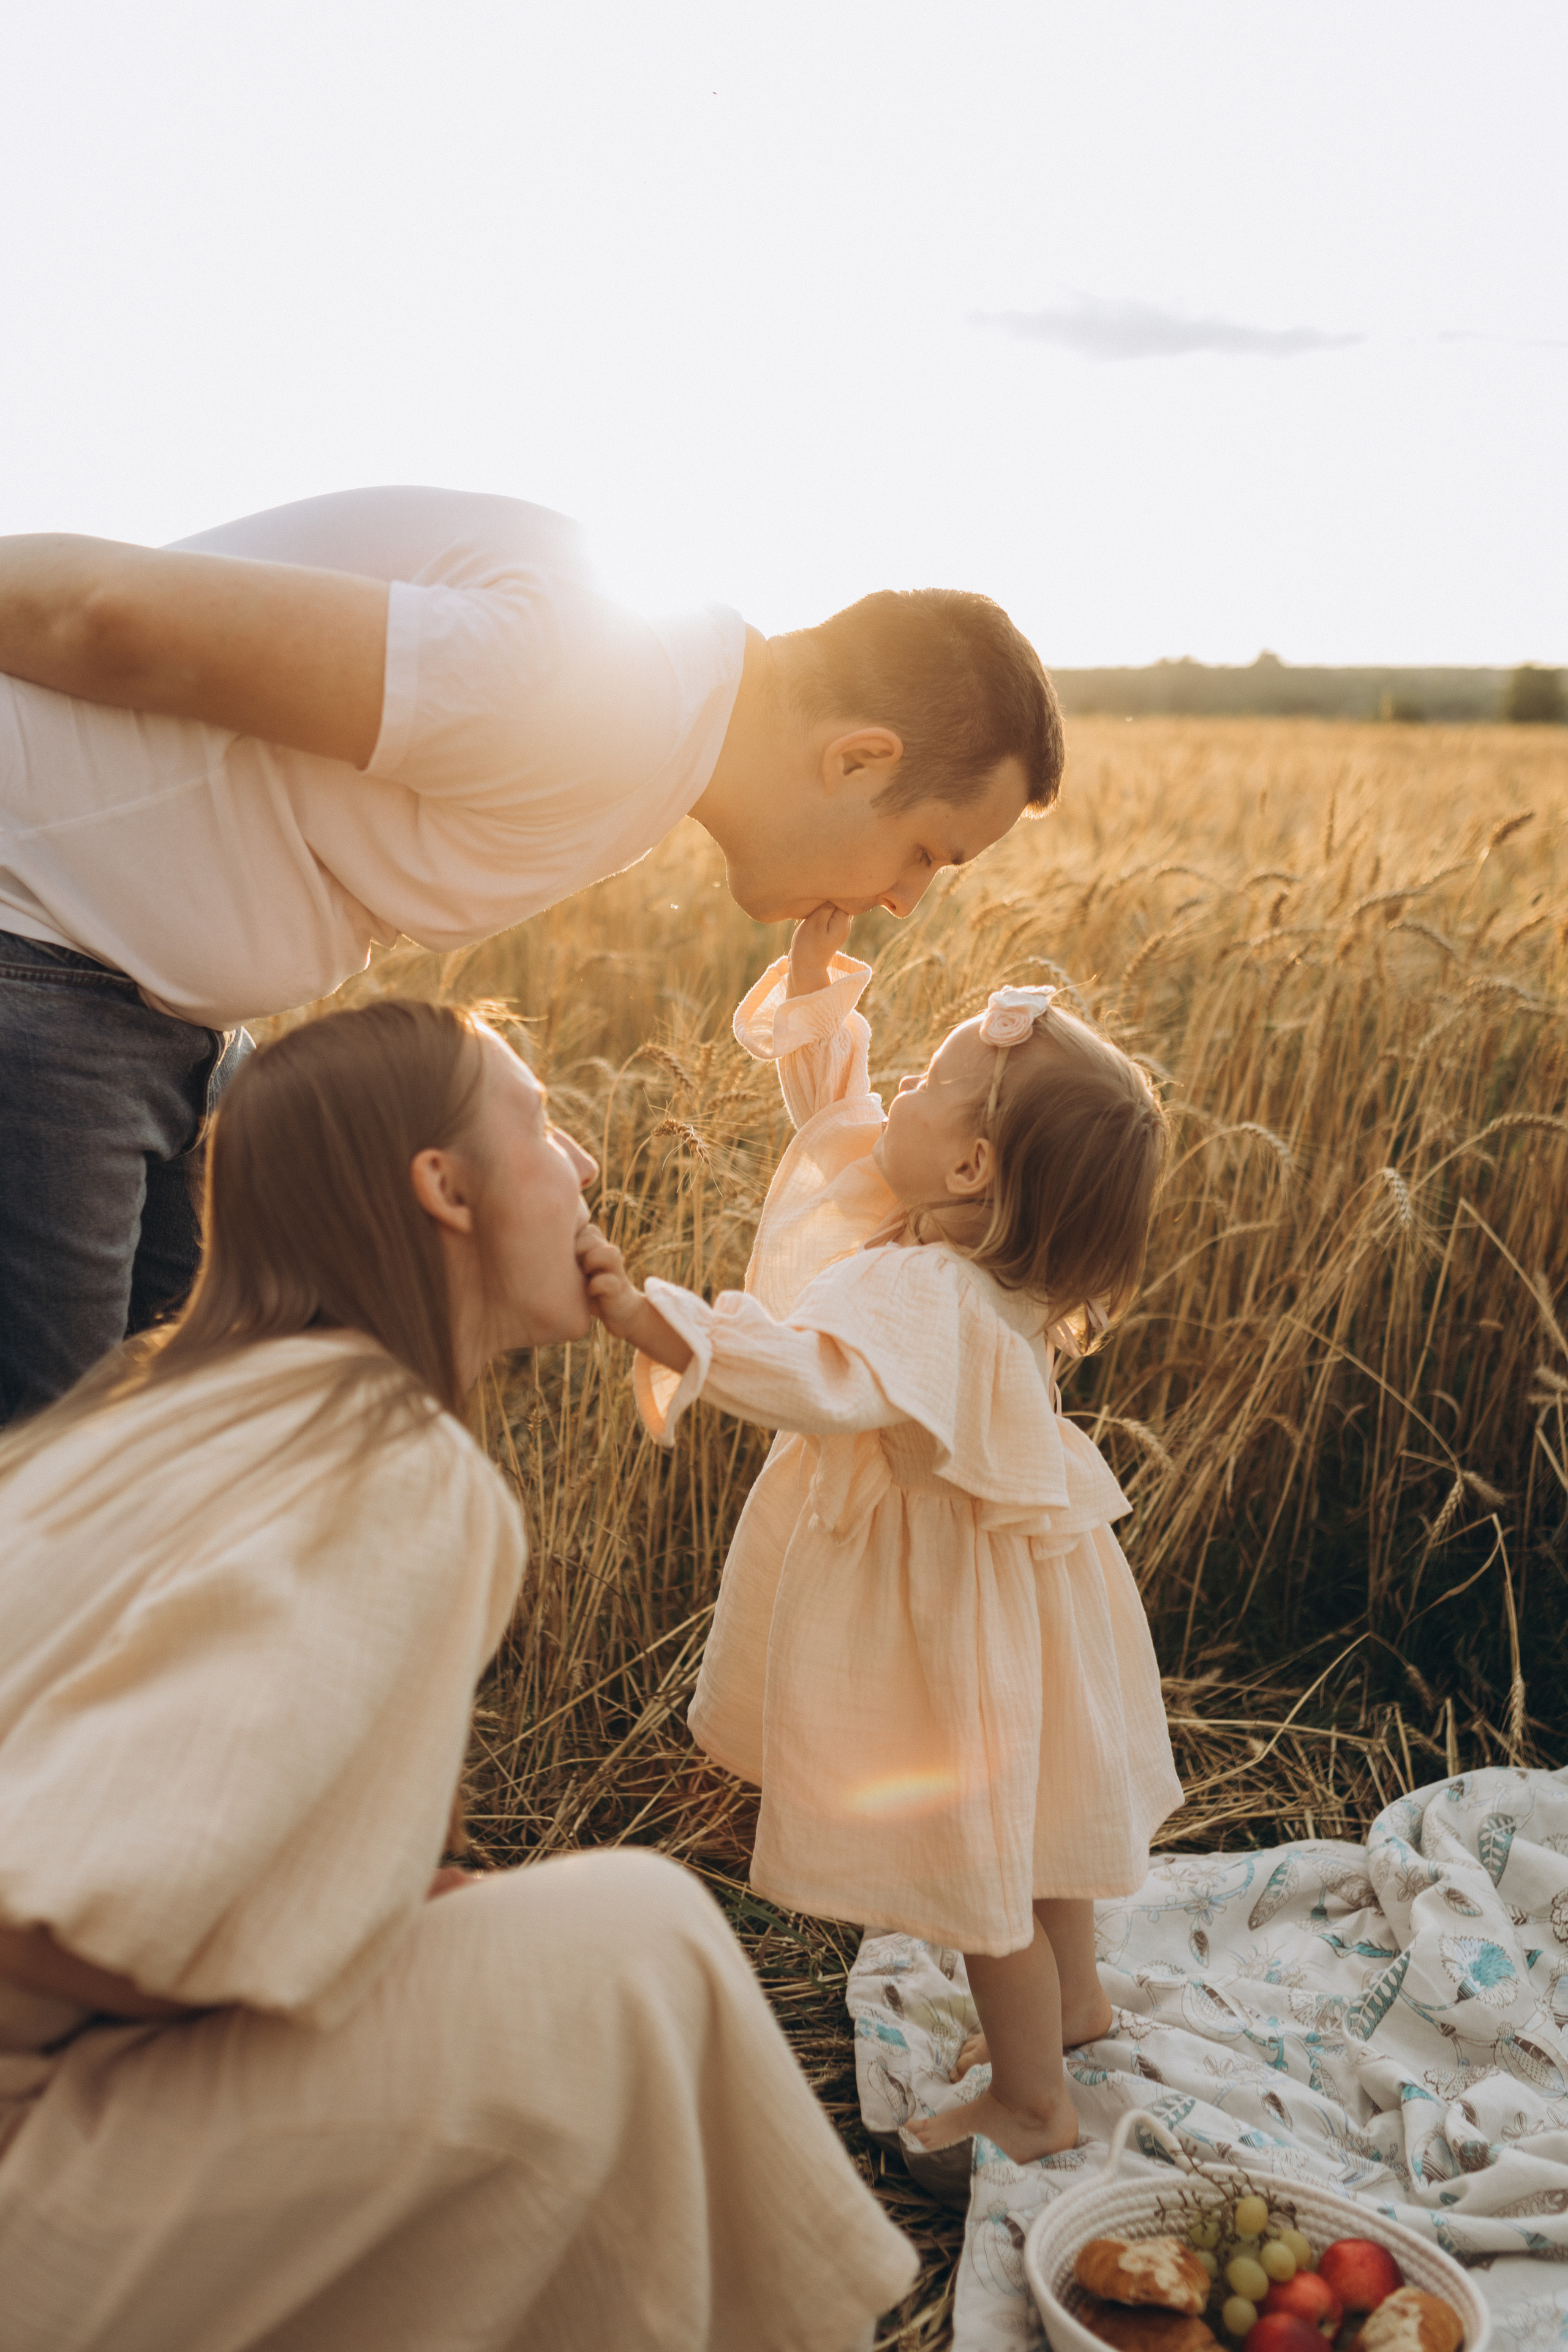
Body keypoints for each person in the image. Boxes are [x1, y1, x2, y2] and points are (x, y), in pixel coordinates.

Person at [0, 993, 917, 2351]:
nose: (588, 1169)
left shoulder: (170, 1410)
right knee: (628, 1952)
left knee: (516, 1946)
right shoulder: (384, 1456)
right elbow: (64, 1916)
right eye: (542, 1125)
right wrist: (331, 1937)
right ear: (443, 1188)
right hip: (34, 2202)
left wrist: (355, 1902)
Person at [0, 486, 1064, 1422]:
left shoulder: (655, 720)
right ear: (857, 758)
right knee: (45, 1516)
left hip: (125, 1009)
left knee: (128, 1490)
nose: (904, 901)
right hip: (41, 961)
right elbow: (103, 617)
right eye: (924, 852)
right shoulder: (602, 701)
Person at [579, 905, 1185, 2165]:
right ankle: (1072, 2006)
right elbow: (839, 1110)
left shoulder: (920, 1290)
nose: (898, 1083)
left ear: (967, 1170)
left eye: (932, 1080)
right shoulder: (972, 1259)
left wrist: (664, 1325)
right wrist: (815, 986)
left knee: (982, 1851)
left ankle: (1029, 2100)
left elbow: (820, 1382)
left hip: (940, 1612)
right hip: (1020, 1584)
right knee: (1037, 1805)